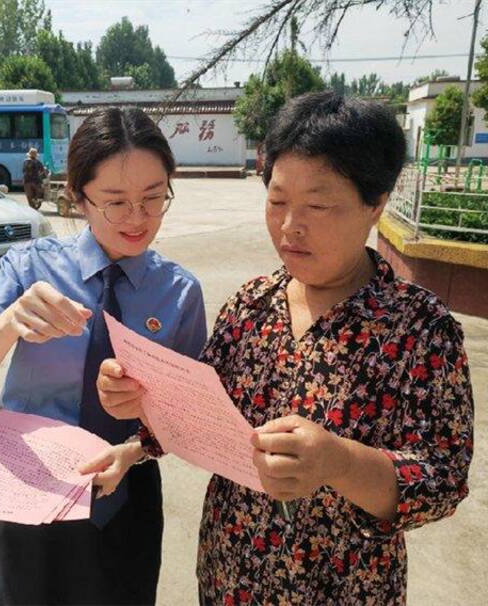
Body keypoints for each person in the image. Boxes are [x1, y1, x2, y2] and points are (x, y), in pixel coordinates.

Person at [97, 91, 474, 605]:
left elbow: (443, 480)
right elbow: (201, 410)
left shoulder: (420, 328)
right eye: (277, 201)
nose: (290, 225)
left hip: (344, 587)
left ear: (376, 204)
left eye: (318, 205)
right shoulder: (251, 304)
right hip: (231, 574)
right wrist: (139, 419)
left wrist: (339, 461)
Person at [0, 107, 207, 606]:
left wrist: (135, 441)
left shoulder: (177, 292)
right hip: (24, 487)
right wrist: (11, 321)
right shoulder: (31, 268)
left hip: (124, 496)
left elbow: (189, 419)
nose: (137, 218)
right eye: (115, 202)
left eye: (154, 199)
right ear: (78, 197)